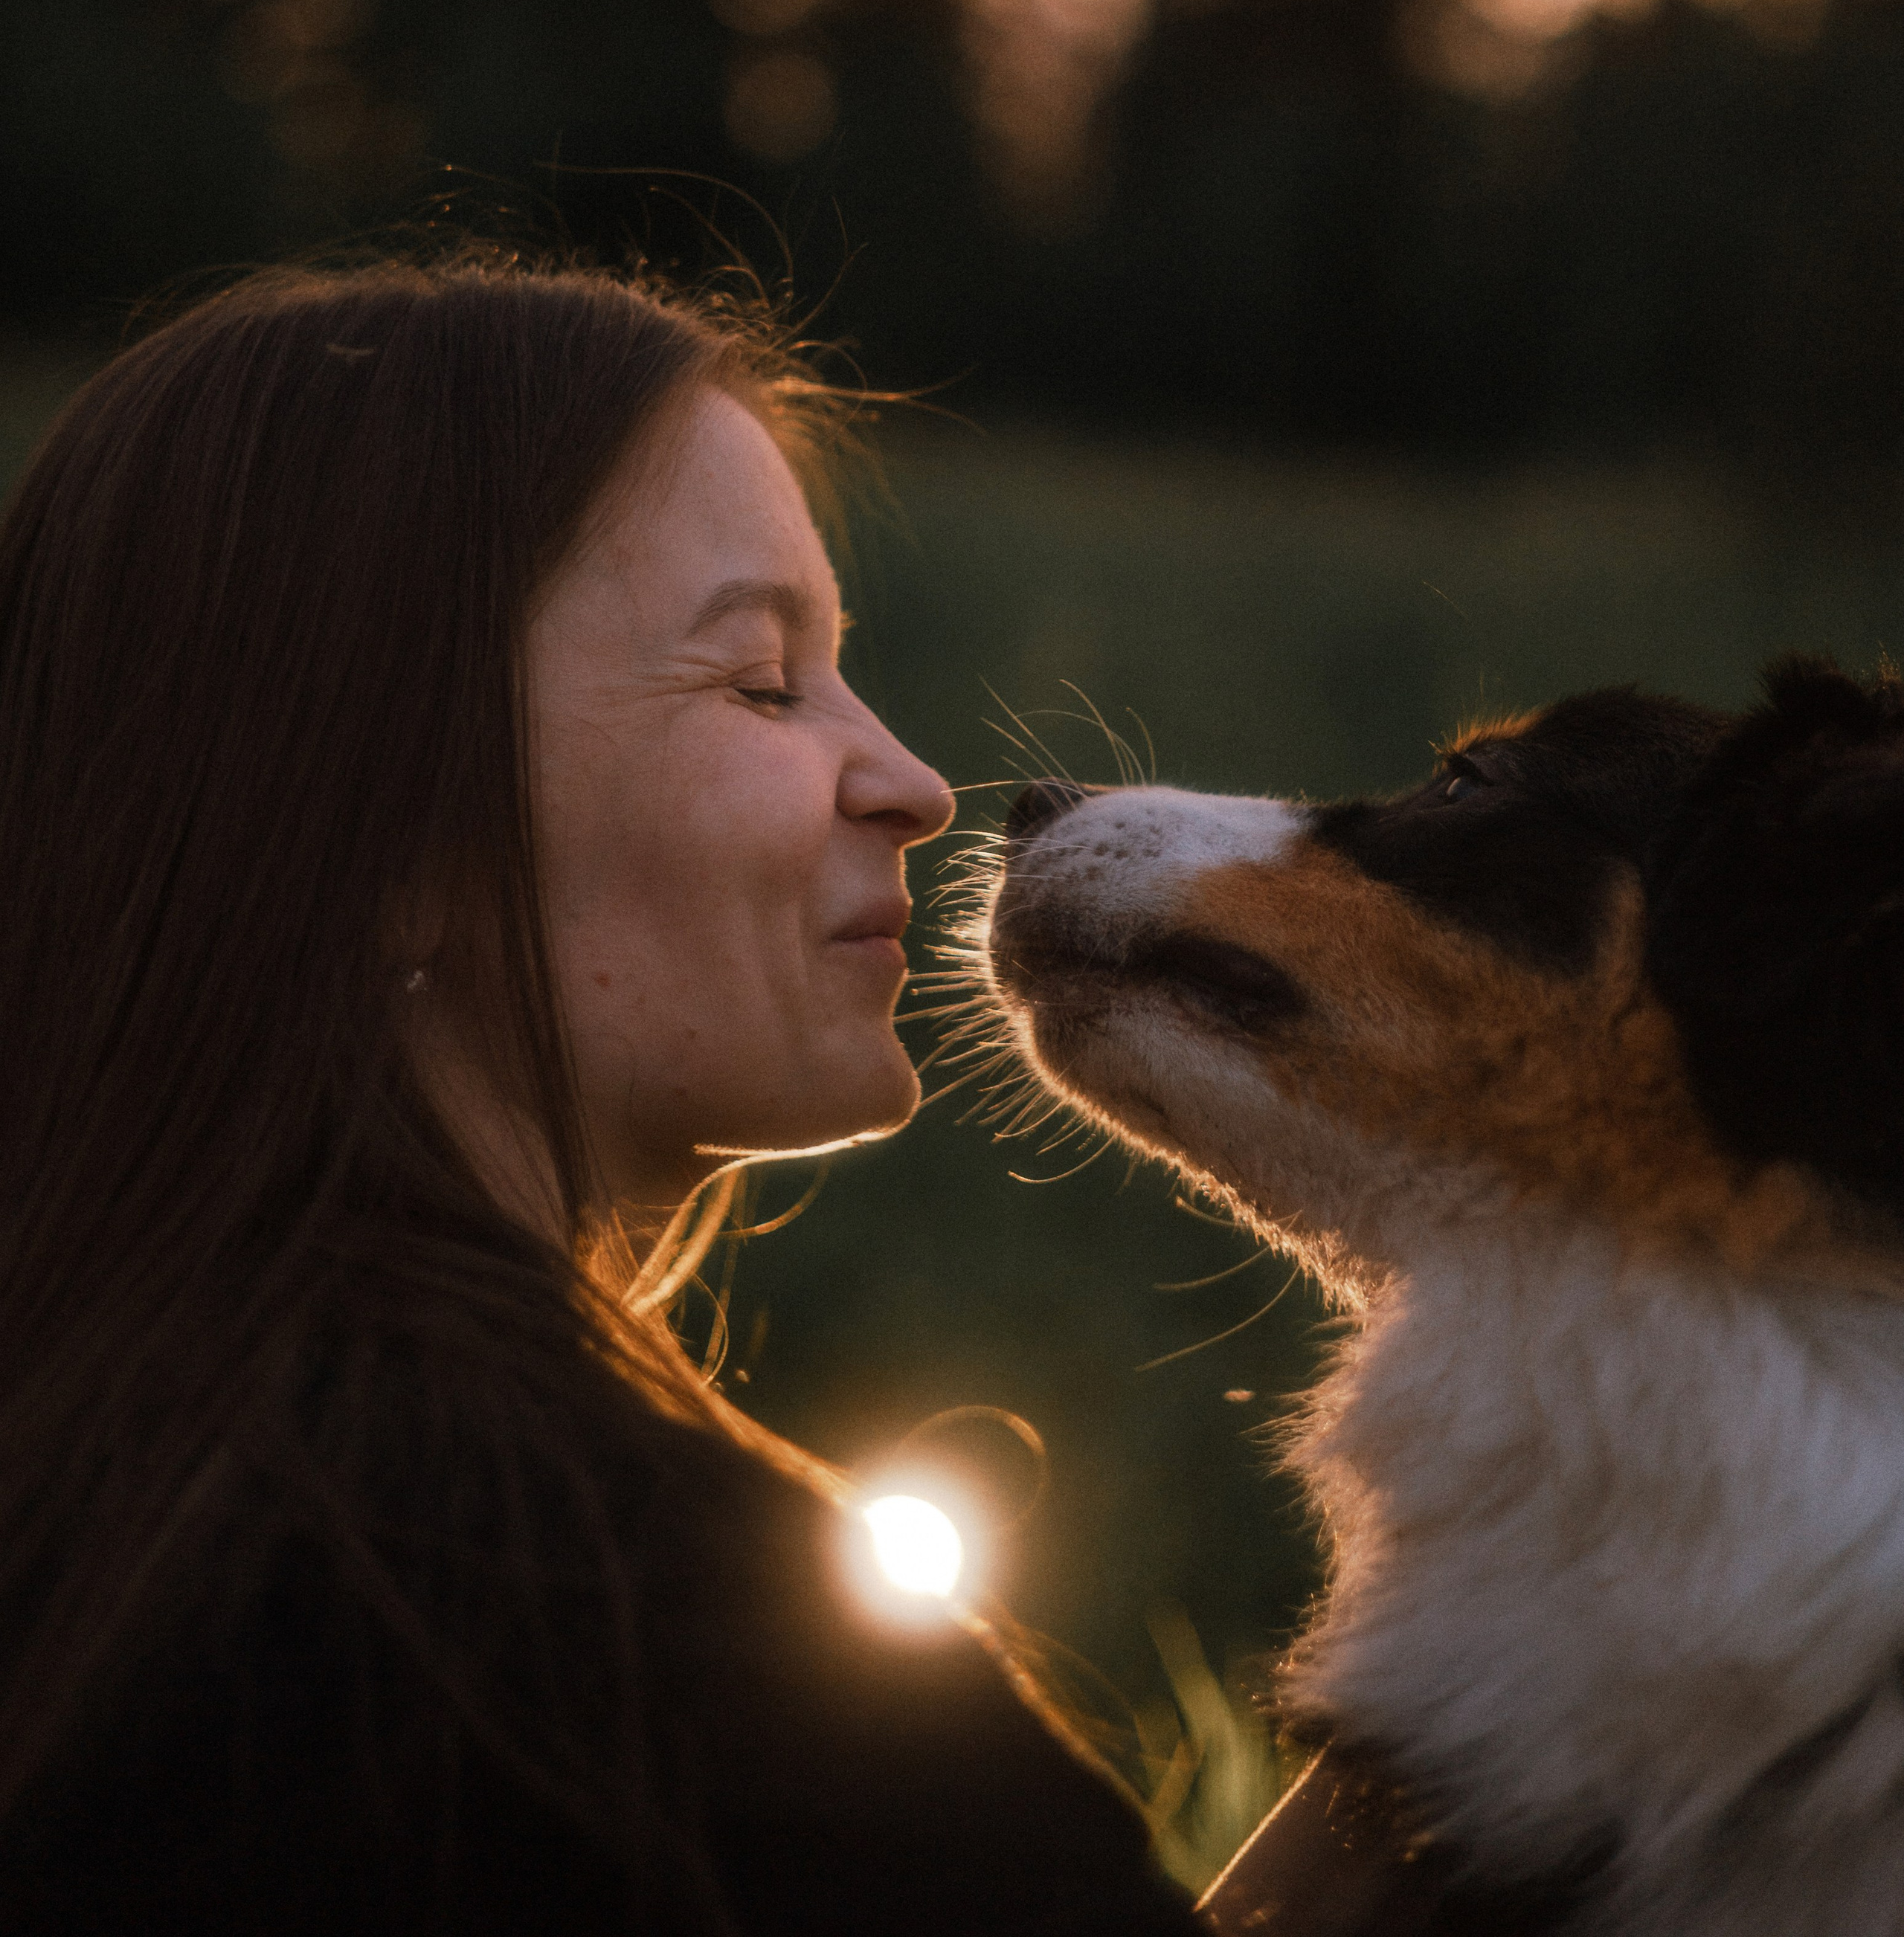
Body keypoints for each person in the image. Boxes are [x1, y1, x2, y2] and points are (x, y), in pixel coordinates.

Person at [0, 254, 1211, 1933]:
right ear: (386, 828)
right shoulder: (634, 1643)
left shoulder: (110, 1504)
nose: (917, 785)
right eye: (759, 680)